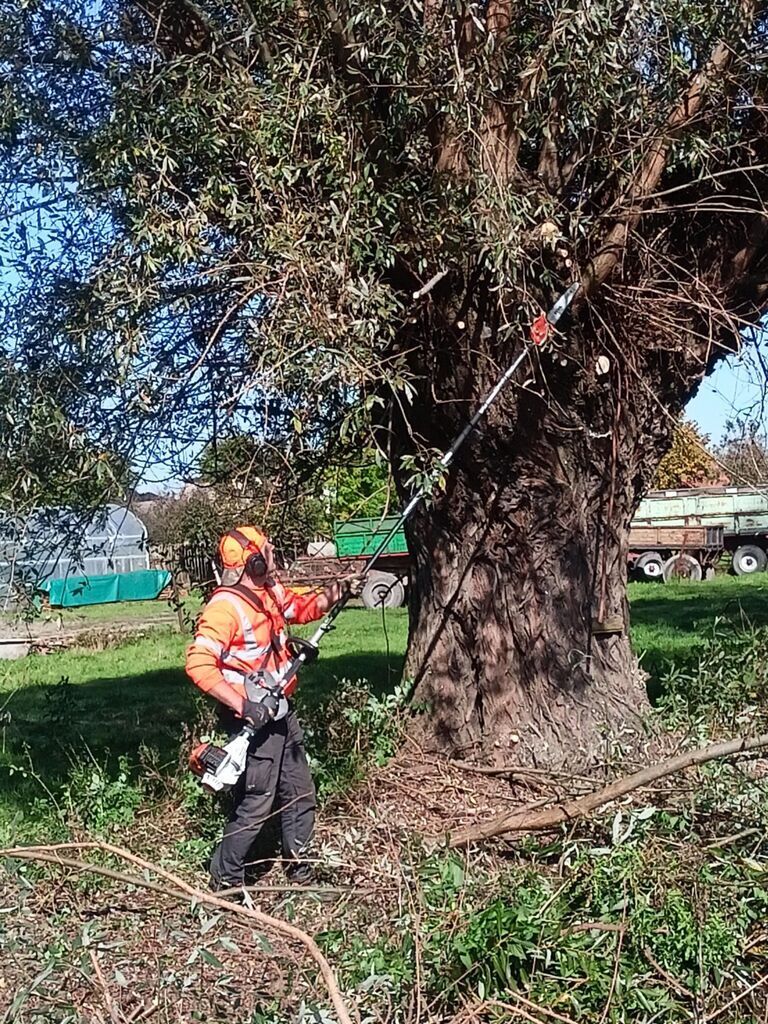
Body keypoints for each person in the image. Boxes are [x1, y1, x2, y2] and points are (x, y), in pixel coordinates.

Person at [185, 525, 362, 889]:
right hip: (250, 719)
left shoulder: (268, 592)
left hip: (279, 709)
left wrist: (341, 588)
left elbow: (301, 607)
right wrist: (244, 705)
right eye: (267, 551)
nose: (273, 554)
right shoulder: (225, 608)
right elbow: (198, 663)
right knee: (257, 800)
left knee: (299, 792)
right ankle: (226, 880)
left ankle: (301, 871)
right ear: (253, 562)